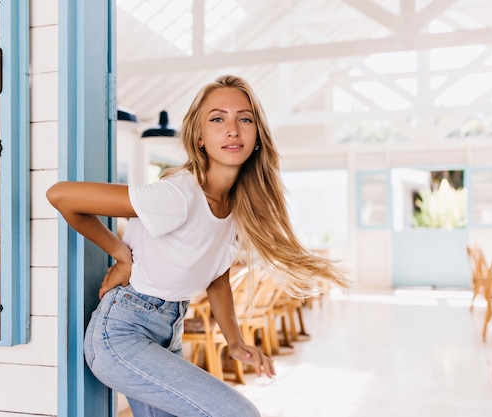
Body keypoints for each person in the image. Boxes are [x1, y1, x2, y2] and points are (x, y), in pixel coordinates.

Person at [47, 74, 347, 417]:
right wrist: (120, 254)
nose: (232, 129)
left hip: (166, 336)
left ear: (257, 137)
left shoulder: (238, 207)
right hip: (121, 336)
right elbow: (61, 196)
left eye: (244, 119)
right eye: (218, 118)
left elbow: (218, 280)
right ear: (200, 137)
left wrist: (235, 343)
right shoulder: (179, 194)